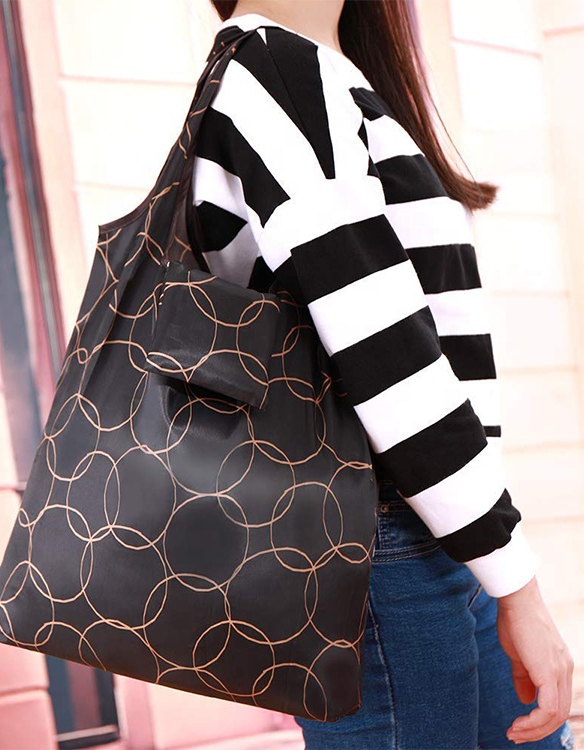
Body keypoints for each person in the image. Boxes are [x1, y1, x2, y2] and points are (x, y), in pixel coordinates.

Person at [193, 0, 575, 747]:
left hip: (431, 533)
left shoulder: (329, 75)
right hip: (378, 546)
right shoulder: (273, 66)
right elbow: (382, 347)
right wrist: (516, 582)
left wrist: (494, 556)